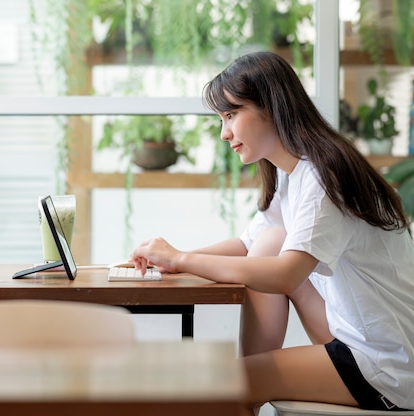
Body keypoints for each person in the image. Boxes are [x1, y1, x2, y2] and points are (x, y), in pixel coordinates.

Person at [130, 51, 414, 415]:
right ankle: (253, 384)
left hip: (387, 364)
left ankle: (249, 385)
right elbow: (247, 245)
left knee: (230, 381)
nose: (224, 133)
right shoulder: (293, 171)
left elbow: (286, 275)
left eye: (231, 115)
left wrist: (182, 259)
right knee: (268, 243)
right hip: (357, 336)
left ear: (270, 105)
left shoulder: (324, 174)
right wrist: (169, 260)